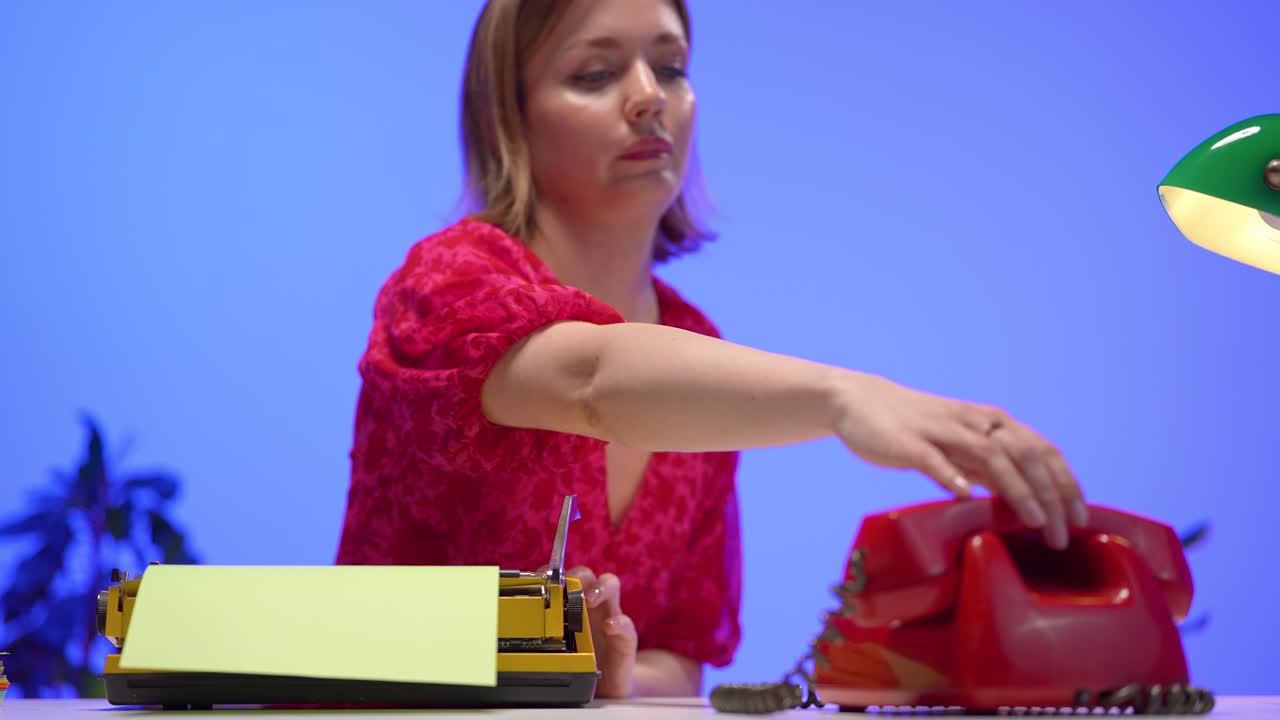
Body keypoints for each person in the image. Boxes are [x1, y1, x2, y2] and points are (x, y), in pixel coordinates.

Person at [335, 0, 1088, 700]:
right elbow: (594, 379)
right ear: (511, 118)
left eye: (669, 67)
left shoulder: (696, 347)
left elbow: (677, 663)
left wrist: (613, 680)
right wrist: (846, 396)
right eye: (595, 74)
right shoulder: (447, 282)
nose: (647, 98)